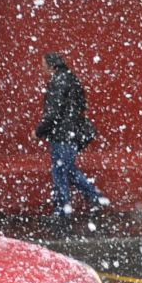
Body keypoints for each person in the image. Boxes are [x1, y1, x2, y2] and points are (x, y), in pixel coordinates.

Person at [36, 52, 107, 231]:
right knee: (67, 169)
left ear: (51, 65)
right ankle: (94, 198)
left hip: (61, 134)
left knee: (61, 171)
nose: (42, 67)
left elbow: (53, 112)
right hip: (72, 133)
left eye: (43, 64)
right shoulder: (72, 79)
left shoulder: (58, 82)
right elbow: (80, 106)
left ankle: (63, 212)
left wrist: (39, 131)